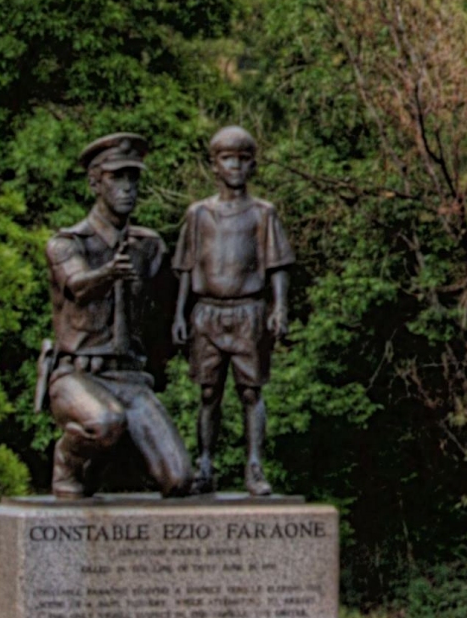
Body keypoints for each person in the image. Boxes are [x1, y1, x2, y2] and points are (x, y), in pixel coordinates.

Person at [40, 134, 195, 500]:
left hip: (130, 379)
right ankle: (68, 461)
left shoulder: (149, 246)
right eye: (117, 178)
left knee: (179, 481)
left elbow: (174, 304)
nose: (128, 188)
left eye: (133, 179)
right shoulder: (68, 243)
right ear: (95, 182)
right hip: (77, 374)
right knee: (105, 421)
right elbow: (78, 285)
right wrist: (109, 272)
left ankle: (98, 468)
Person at [172, 126, 294, 497]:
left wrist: (280, 307)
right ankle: (205, 463)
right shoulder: (198, 214)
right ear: (215, 166)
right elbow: (186, 267)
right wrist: (179, 313)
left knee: (250, 392)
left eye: (243, 160)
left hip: (249, 311)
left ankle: (254, 465)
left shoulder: (263, 213)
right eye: (228, 159)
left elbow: (277, 265)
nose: (235, 167)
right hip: (207, 312)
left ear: (252, 165)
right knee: (208, 392)